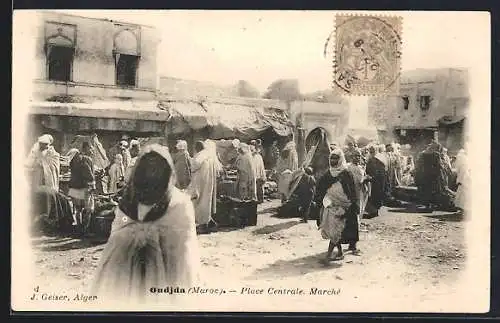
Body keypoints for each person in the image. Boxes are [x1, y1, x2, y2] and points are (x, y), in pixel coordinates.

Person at [91, 144, 200, 304]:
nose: (152, 174)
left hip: (128, 277)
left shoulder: (128, 201)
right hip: (164, 280)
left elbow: (117, 231)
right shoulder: (180, 203)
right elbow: (185, 253)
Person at [315, 149, 359, 263]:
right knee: (333, 230)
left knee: (336, 230)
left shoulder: (346, 173)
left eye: (335, 158)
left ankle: (328, 256)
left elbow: (351, 191)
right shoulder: (328, 173)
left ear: (340, 159)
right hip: (330, 205)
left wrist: (351, 204)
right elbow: (321, 189)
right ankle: (339, 252)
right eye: (331, 158)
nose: (333, 160)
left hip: (343, 206)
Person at [187, 141, 217, 233]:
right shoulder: (209, 155)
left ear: (197, 148)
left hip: (201, 183)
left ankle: (203, 226)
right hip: (208, 182)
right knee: (206, 203)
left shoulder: (200, 156)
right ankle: (210, 223)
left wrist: (190, 160)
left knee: (200, 203)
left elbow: (194, 165)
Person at [68, 142, 95, 227]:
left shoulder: (71, 161)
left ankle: (79, 227)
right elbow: (89, 173)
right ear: (86, 148)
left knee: (77, 209)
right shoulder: (86, 159)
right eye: (90, 148)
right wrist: (92, 183)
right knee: (88, 209)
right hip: (85, 187)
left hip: (74, 187)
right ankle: (85, 228)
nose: (91, 150)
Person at [364, 145, 388, 218]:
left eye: (373, 150)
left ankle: (375, 212)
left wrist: (372, 177)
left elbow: (381, 172)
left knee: (375, 196)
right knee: (372, 196)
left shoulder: (378, 160)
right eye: (370, 151)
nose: (371, 152)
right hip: (372, 181)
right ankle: (373, 211)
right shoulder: (370, 159)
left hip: (377, 181)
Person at [347, 149, 369, 222]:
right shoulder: (348, 167)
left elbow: (362, 178)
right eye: (355, 156)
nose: (357, 158)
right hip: (352, 191)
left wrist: (366, 178)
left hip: (360, 191)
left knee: (360, 207)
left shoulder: (360, 168)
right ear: (351, 157)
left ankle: (358, 222)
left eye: (359, 156)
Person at [453, 149, 470, 214]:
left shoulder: (463, 166)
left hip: (463, 182)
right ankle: (462, 209)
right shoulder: (463, 166)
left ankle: (463, 209)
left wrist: (460, 181)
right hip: (463, 182)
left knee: (463, 195)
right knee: (461, 195)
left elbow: (462, 175)